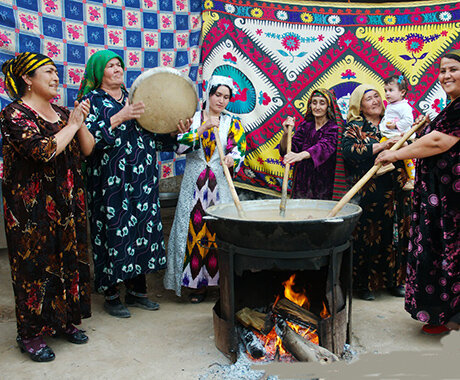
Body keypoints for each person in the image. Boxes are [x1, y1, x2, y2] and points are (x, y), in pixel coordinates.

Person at [0, 52, 94, 361]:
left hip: (66, 202)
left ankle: (63, 321)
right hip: (31, 208)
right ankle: (31, 334)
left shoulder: (62, 112)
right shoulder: (14, 114)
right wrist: (73, 123)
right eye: (48, 72)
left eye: (57, 72)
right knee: (35, 268)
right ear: (27, 79)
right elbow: (43, 151)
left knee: (68, 260)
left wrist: (77, 121)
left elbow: (87, 148)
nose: (56, 77)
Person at [77, 51, 182, 318]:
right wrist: (119, 116)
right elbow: (85, 144)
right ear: (98, 72)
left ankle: (137, 292)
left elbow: (155, 136)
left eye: (119, 65)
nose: (117, 69)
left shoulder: (137, 98)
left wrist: (174, 130)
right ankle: (111, 294)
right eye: (110, 66)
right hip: (109, 181)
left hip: (142, 178)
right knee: (113, 232)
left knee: (141, 230)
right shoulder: (90, 101)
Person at [376, 50, 460, 335]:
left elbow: (437, 142)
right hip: (439, 197)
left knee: (450, 251)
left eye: (453, 69)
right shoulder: (452, 107)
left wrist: (395, 155)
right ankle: (443, 314)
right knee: (439, 251)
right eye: (443, 70)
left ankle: (450, 315)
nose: (446, 75)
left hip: (452, 200)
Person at [164, 75, 246, 303]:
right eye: (217, 95)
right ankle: (196, 286)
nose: (221, 100)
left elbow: (239, 149)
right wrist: (202, 129)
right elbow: (180, 147)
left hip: (219, 183)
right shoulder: (193, 119)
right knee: (193, 231)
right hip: (195, 183)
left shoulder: (232, 123)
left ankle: (221, 284)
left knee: (219, 230)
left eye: (226, 97)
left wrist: (232, 158)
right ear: (208, 94)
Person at [341, 84, 411, 301]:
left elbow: (410, 144)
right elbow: (349, 151)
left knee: (397, 234)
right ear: (359, 106)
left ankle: (395, 281)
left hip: (398, 188)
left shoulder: (394, 121)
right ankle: (366, 285)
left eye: (377, 97)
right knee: (370, 236)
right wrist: (382, 146)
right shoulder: (356, 127)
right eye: (368, 98)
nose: (375, 101)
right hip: (372, 190)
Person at [279, 88, 343, 199]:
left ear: (328, 107)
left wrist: (299, 156)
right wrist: (286, 134)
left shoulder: (334, 128)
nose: (317, 107)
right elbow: (287, 150)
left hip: (324, 182)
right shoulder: (306, 126)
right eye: (314, 102)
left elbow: (323, 147)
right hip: (301, 181)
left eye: (322, 103)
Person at [378, 75, 415, 190]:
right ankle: (386, 164)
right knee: (383, 145)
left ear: (402, 92)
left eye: (391, 90)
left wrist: (396, 125)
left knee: (407, 157)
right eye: (385, 91)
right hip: (391, 135)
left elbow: (409, 120)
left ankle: (413, 178)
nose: (387, 94)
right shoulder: (391, 105)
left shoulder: (404, 106)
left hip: (402, 136)